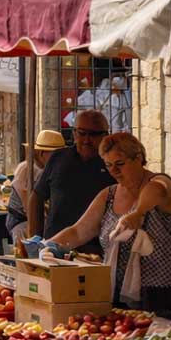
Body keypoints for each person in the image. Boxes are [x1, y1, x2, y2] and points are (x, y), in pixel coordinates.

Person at [41, 133, 171, 305]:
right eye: (108, 165)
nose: (114, 171)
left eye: (120, 164)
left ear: (138, 158)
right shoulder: (109, 195)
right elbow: (78, 231)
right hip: (121, 300)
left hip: (168, 299)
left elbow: (157, 190)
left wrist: (138, 212)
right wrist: (46, 247)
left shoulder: (160, 182)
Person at [28, 108, 115, 254]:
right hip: (53, 247)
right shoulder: (58, 158)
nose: (87, 140)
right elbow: (37, 196)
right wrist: (35, 237)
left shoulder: (111, 165)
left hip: (95, 251)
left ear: (105, 136)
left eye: (94, 134)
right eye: (82, 133)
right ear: (74, 133)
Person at [7, 129, 66, 244]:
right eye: (54, 154)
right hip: (21, 221)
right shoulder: (28, 168)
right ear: (41, 153)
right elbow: (27, 200)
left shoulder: (47, 170)